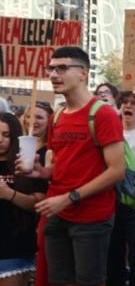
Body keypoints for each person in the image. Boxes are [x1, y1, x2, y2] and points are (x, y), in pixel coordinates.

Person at [18, 46, 125, 286]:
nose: (54, 74)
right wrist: (41, 172)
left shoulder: (103, 114)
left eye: (62, 68)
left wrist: (70, 197)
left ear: (83, 73)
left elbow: (117, 171)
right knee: (59, 281)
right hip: (57, 211)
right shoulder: (58, 115)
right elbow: (61, 166)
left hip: (91, 216)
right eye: (51, 68)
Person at [107, 90, 135, 286]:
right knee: (113, 252)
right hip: (113, 200)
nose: (128, 106)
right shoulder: (111, 132)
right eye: (124, 102)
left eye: (134, 103)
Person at [1, 113, 45, 285]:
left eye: (6, 135)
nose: (0, 140)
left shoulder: (26, 164)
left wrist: (9, 194)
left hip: (14, 249)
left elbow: (40, 203)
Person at [21, 102, 53, 286]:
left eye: (39, 117)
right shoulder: (19, 145)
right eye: (29, 116)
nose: (33, 121)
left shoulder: (50, 151)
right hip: (20, 218)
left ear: (50, 121)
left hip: (40, 216)